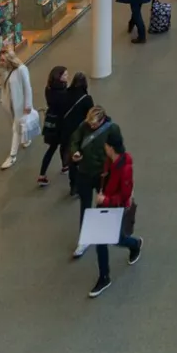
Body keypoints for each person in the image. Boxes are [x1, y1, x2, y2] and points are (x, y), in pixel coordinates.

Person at [87, 136, 142, 298]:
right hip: (105, 205)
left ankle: (134, 244)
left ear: (111, 148)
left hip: (115, 208)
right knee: (100, 240)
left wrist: (107, 199)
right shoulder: (109, 161)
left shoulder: (125, 168)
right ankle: (104, 276)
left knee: (115, 238)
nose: (104, 148)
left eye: (106, 146)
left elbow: (125, 196)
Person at [67, 105, 124, 258]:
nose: (91, 126)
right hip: (85, 173)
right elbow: (75, 140)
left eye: (94, 124)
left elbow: (119, 152)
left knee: (103, 205)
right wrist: (75, 152)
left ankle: (108, 234)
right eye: (90, 123)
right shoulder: (84, 125)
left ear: (102, 120)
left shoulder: (112, 130)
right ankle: (84, 239)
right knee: (84, 206)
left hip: (103, 175)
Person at [38, 68, 89, 187]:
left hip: (51, 121)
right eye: (65, 74)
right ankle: (64, 166)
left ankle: (43, 174)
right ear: (59, 77)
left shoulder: (49, 89)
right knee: (64, 145)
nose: (67, 76)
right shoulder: (63, 92)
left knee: (52, 148)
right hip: (60, 123)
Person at [0, 46, 32, 172]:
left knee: (15, 129)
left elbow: (27, 88)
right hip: (9, 104)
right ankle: (26, 138)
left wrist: (27, 105)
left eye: (2, 60)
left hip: (20, 104)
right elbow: (4, 87)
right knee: (16, 125)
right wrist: (2, 100)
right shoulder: (5, 71)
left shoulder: (22, 70)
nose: (0, 63)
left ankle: (12, 155)